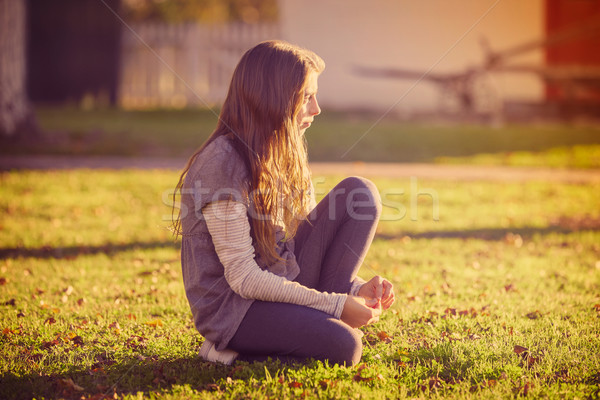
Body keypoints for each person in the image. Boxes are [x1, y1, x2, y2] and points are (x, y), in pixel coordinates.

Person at [173, 40, 394, 366]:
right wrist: (335, 307)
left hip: (280, 283)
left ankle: (322, 321)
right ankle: (227, 353)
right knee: (345, 347)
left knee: (360, 193)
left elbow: (298, 247)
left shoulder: (284, 153)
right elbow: (244, 279)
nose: (316, 108)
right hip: (237, 309)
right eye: (306, 97)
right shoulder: (222, 162)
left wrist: (356, 290)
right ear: (273, 99)